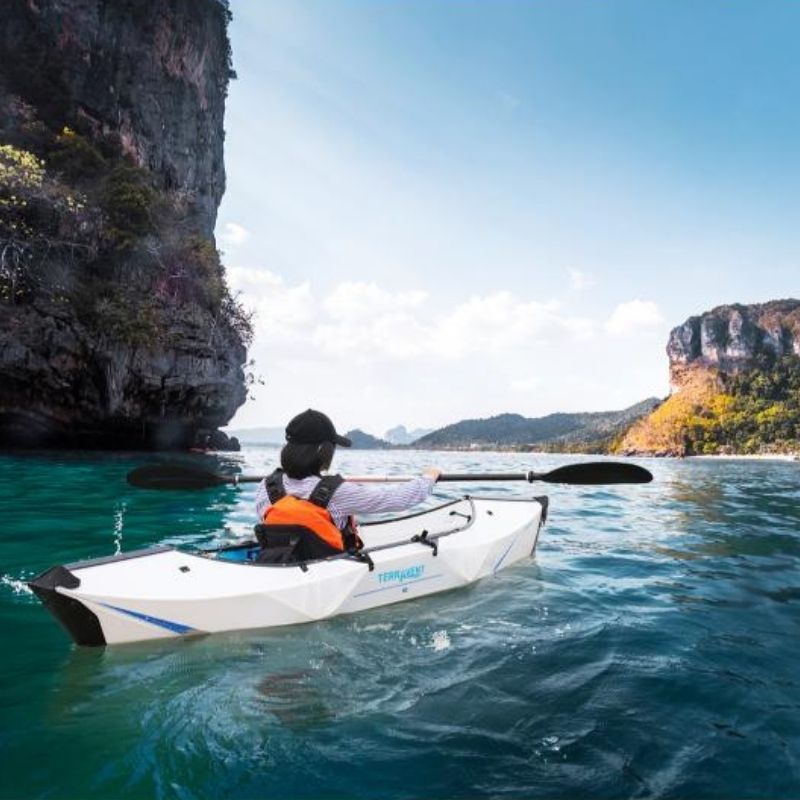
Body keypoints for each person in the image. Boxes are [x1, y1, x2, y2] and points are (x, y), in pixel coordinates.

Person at [255, 409, 440, 559]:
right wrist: (428, 478)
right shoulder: (338, 493)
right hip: (327, 570)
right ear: (322, 450)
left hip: (282, 563)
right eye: (332, 447)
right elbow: (396, 499)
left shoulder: (266, 486)